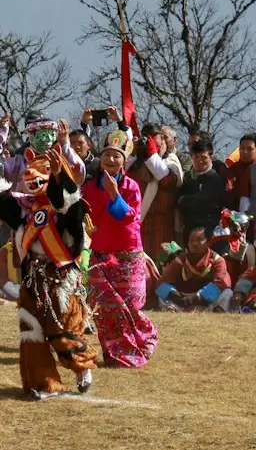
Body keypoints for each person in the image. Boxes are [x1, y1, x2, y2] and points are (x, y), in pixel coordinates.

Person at [0, 147, 96, 399]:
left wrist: (60, 178)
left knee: (63, 328)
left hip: (60, 279)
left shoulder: (70, 207)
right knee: (31, 332)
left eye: (44, 171)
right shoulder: (22, 207)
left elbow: (68, 207)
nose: (34, 175)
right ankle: (44, 383)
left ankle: (81, 367)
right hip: (31, 279)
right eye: (31, 170)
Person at [82, 129, 159, 368]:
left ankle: (142, 341)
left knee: (130, 307)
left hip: (128, 254)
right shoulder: (89, 188)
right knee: (106, 308)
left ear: (124, 160)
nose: (111, 160)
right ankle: (115, 353)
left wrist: (114, 192)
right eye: (107, 154)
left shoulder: (131, 186)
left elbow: (128, 218)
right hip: (100, 254)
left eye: (116, 156)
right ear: (100, 157)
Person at [131, 123, 181, 260]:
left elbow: (170, 180)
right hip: (138, 226)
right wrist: (133, 153)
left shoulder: (171, 160)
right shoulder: (135, 164)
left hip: (163, 227)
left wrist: (152, 156)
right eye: (147, 137)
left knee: (164, 266)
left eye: (155, 137)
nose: (150, 140)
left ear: (163, 140)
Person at [157, 227, 232, 311]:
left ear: (208, 243)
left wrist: (195, 298)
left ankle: (216, 313)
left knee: (227, 293)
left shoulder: (217, 260)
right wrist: (175, 295)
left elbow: (220, 283)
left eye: (199, 240)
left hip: (206, 301)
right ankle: (172, 311)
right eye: (191, 240)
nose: (194, 243)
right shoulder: (182, 258)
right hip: (184, 300)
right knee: (162, 295)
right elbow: (162, 282)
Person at [179, 137, 226, 239]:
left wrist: (184, 199)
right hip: (188, 228)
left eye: (204, 157)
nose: (200, 161)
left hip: (208, 230)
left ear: (211, 157)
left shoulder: (214, 178)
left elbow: (202, 200)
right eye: (196, 157)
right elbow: (177, 198)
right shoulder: (186, 176)